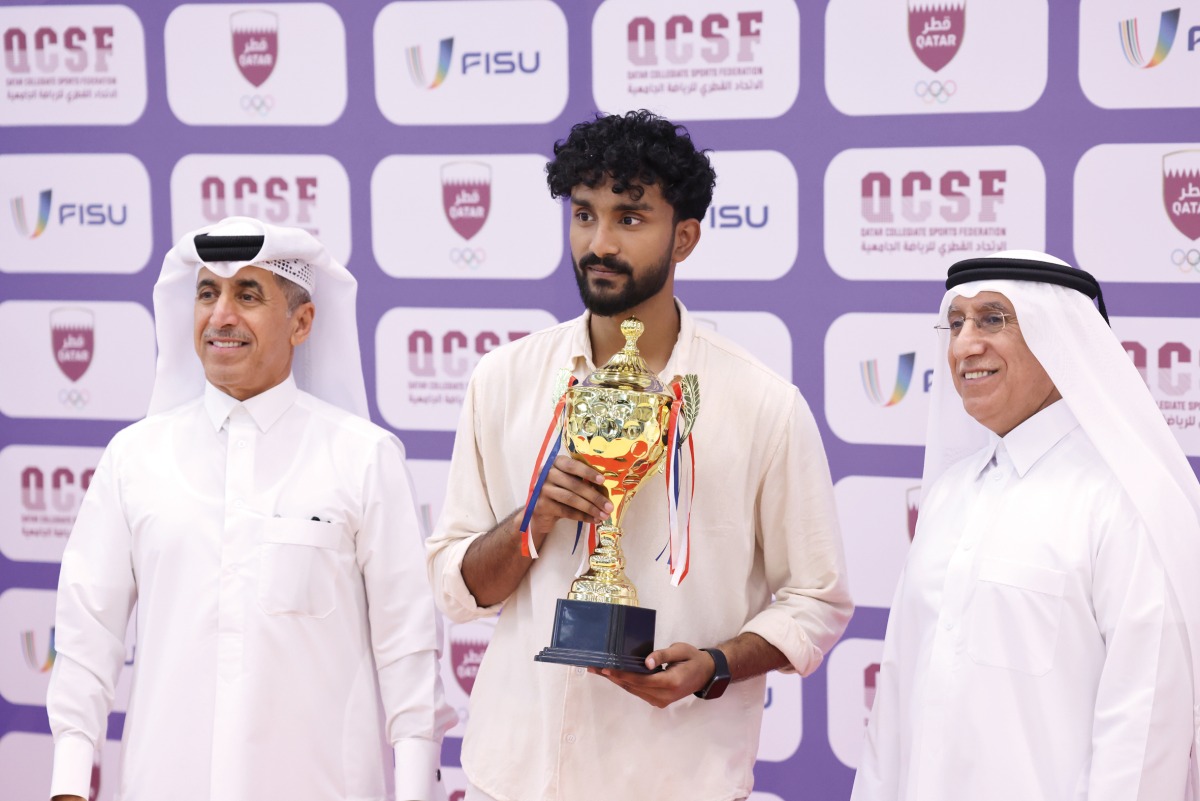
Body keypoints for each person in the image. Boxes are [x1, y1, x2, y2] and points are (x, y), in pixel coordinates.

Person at [425, 110, 853, 801]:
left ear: (684, 237)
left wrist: (714, 664)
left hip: (675, 779)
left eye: (630, 219)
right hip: (513, 778)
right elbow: (456, 586)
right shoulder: (501, 380)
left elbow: (816, 600)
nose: (599, 243)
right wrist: (530, 521)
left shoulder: (762, 403)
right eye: (584, 214)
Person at [47, 217, 455, 801]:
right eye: (207, 293)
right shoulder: (134, 457)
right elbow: (88, 631)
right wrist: (67, 784)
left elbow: (408, 649)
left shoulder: (363, 457)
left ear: (303, 322)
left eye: (247, 294)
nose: (220, 316)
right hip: (165, 783)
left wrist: (415, 790)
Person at [853, 251, 1200, 801]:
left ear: (1061, 338)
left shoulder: (1124, 501)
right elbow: (893, 711)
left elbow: (1143, 733)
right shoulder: (948, 494)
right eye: (958, 322)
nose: (966, 343)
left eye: (994, 318)